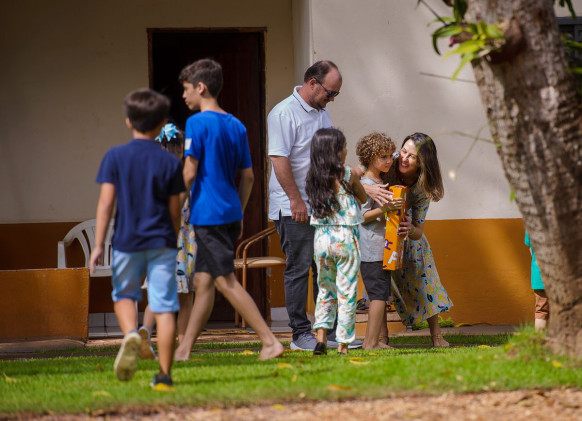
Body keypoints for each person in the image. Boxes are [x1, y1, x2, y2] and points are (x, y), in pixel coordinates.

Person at [173, 58, 284, 361]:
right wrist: (240, 211)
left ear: (200, 87)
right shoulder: (237, 125)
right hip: (231, 214)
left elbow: (189, 173)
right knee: (203, 282)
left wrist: (171, 211)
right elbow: (248, 177)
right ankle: (183, 350)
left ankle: (269, 341)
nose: (183, 96)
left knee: (225, 281)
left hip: (208, 216)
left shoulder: (196, 123)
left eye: (186, 89)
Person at [89, 88, 184, 389]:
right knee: (164, 306)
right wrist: (173, 237)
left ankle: (131, 333)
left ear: (128, 121)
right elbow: (175, 210)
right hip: (162, 242)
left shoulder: (115, 156)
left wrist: (98, 245)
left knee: (124, 296)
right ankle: (164, 375)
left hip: (126, 242)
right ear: (161, 123)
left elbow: (106, 204)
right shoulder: (171, 162)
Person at [269, 60, 361, 351]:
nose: (331, 99)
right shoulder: (283, 113)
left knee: (324, 269)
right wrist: (296, 200)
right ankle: (300, 335)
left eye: (336, 94)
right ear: (312, 83)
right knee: (298, 269)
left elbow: (327, 159)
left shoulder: (322, 112)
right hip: (293, 206)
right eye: (330, 93)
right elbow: (279, 159)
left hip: (321, 204)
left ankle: (329, 333)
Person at [365, 133, 452, 347]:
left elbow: (419, 230)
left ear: (423, 162)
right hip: (379, 231)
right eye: (403, 151)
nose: (403, 158)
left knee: (425, 278)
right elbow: (355, 175)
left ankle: (437, 336)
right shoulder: (389, 161)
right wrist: (368, 188)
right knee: (381, 285)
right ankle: (381, 338)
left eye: (412, 156)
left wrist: (410, 229)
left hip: (406, 235)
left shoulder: (423, 186)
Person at [138, 123, 197, 360]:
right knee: (186, 297)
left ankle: (145, 331)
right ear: (181, 149)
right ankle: (182, 344)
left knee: (157, 292)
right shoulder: (185, 176)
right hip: (184, 243)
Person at [306, 128, 367, 355]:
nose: (346, 150)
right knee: (347, 291)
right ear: (336, 151)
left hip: (322, 238)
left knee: (325, 289)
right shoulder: (347, 174)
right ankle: (343, 343)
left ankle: (321, 338)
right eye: (344, 147)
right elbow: (363, 197)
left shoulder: (313, 178)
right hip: (345, 238)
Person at [355, 132, 403, 350]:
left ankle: (372, 341)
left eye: (390, 156)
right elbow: (361, 216)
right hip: (370, 249)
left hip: (380, 248)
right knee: (378, 297)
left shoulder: (378, 182)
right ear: (369, 157)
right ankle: (371, 343)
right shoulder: (366, 184)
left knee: (380, 295)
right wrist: (386, 209)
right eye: (383, 156)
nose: (389, 160)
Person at [524, 231, 549, 330]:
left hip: (539, 275)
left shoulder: (532, 224)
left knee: (541, 311)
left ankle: (539, 339)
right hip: (562, 277)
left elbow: (531, 249)